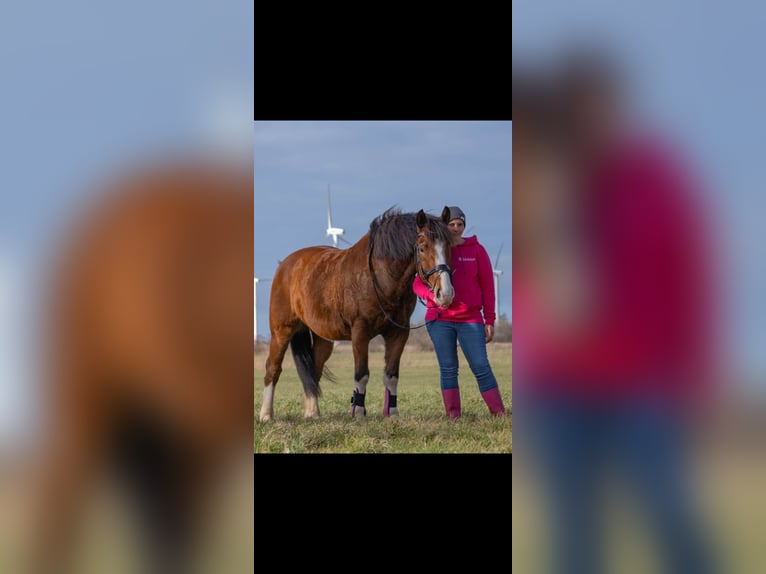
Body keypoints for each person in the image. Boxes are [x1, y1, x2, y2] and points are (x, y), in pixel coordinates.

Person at [513, 50, 722, 574]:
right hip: (559, 388)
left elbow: (689, 278)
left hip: (641, 381)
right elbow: (534, 286)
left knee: (669, 514)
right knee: (574, 533)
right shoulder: (541, 182)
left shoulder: (652, 179)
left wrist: (694, 374)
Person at [413, 205, 506, 419]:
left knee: (481, 366)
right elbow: (417, 283)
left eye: (459, 224)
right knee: (448, 369)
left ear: (464, 226)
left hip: (470, 319)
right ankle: (453, 416)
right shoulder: (439, 250)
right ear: (445, 227)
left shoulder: (477, 251)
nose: (455, 228)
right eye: (452, 224)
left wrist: (489, 320)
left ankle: (499, 414)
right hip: (439, 320)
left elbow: (488, 289)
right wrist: (430, 296)